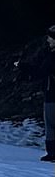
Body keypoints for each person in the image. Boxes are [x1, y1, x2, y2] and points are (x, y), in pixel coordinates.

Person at [16, 24, 55, 163]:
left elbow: (41, 71)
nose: (48, 40)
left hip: (52, 93)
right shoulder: (47, 52)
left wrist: (23, 68)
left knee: (50, 124)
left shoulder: (51, 55)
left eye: (50, 37)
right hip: (50, 92)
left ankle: (52, 153)